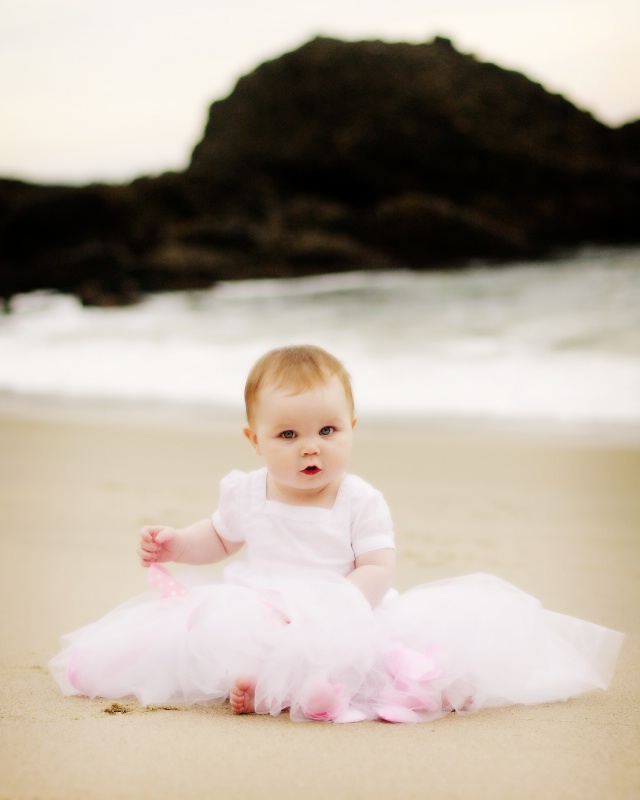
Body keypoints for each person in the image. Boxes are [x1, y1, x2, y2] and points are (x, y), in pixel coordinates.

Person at [49, 345, 623, 723]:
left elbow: (378, 565)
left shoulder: (358, 499)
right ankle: (258, 684)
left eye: (327, 429)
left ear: (351, 427)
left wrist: (342, 604)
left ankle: (306, 689)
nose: (310, 446)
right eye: (288, 434)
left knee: (350, 651)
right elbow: (220, 540)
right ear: (255, 441)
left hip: (341, 604)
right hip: (261, 601)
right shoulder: (248, 491)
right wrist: (177, 543)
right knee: (220, 630)